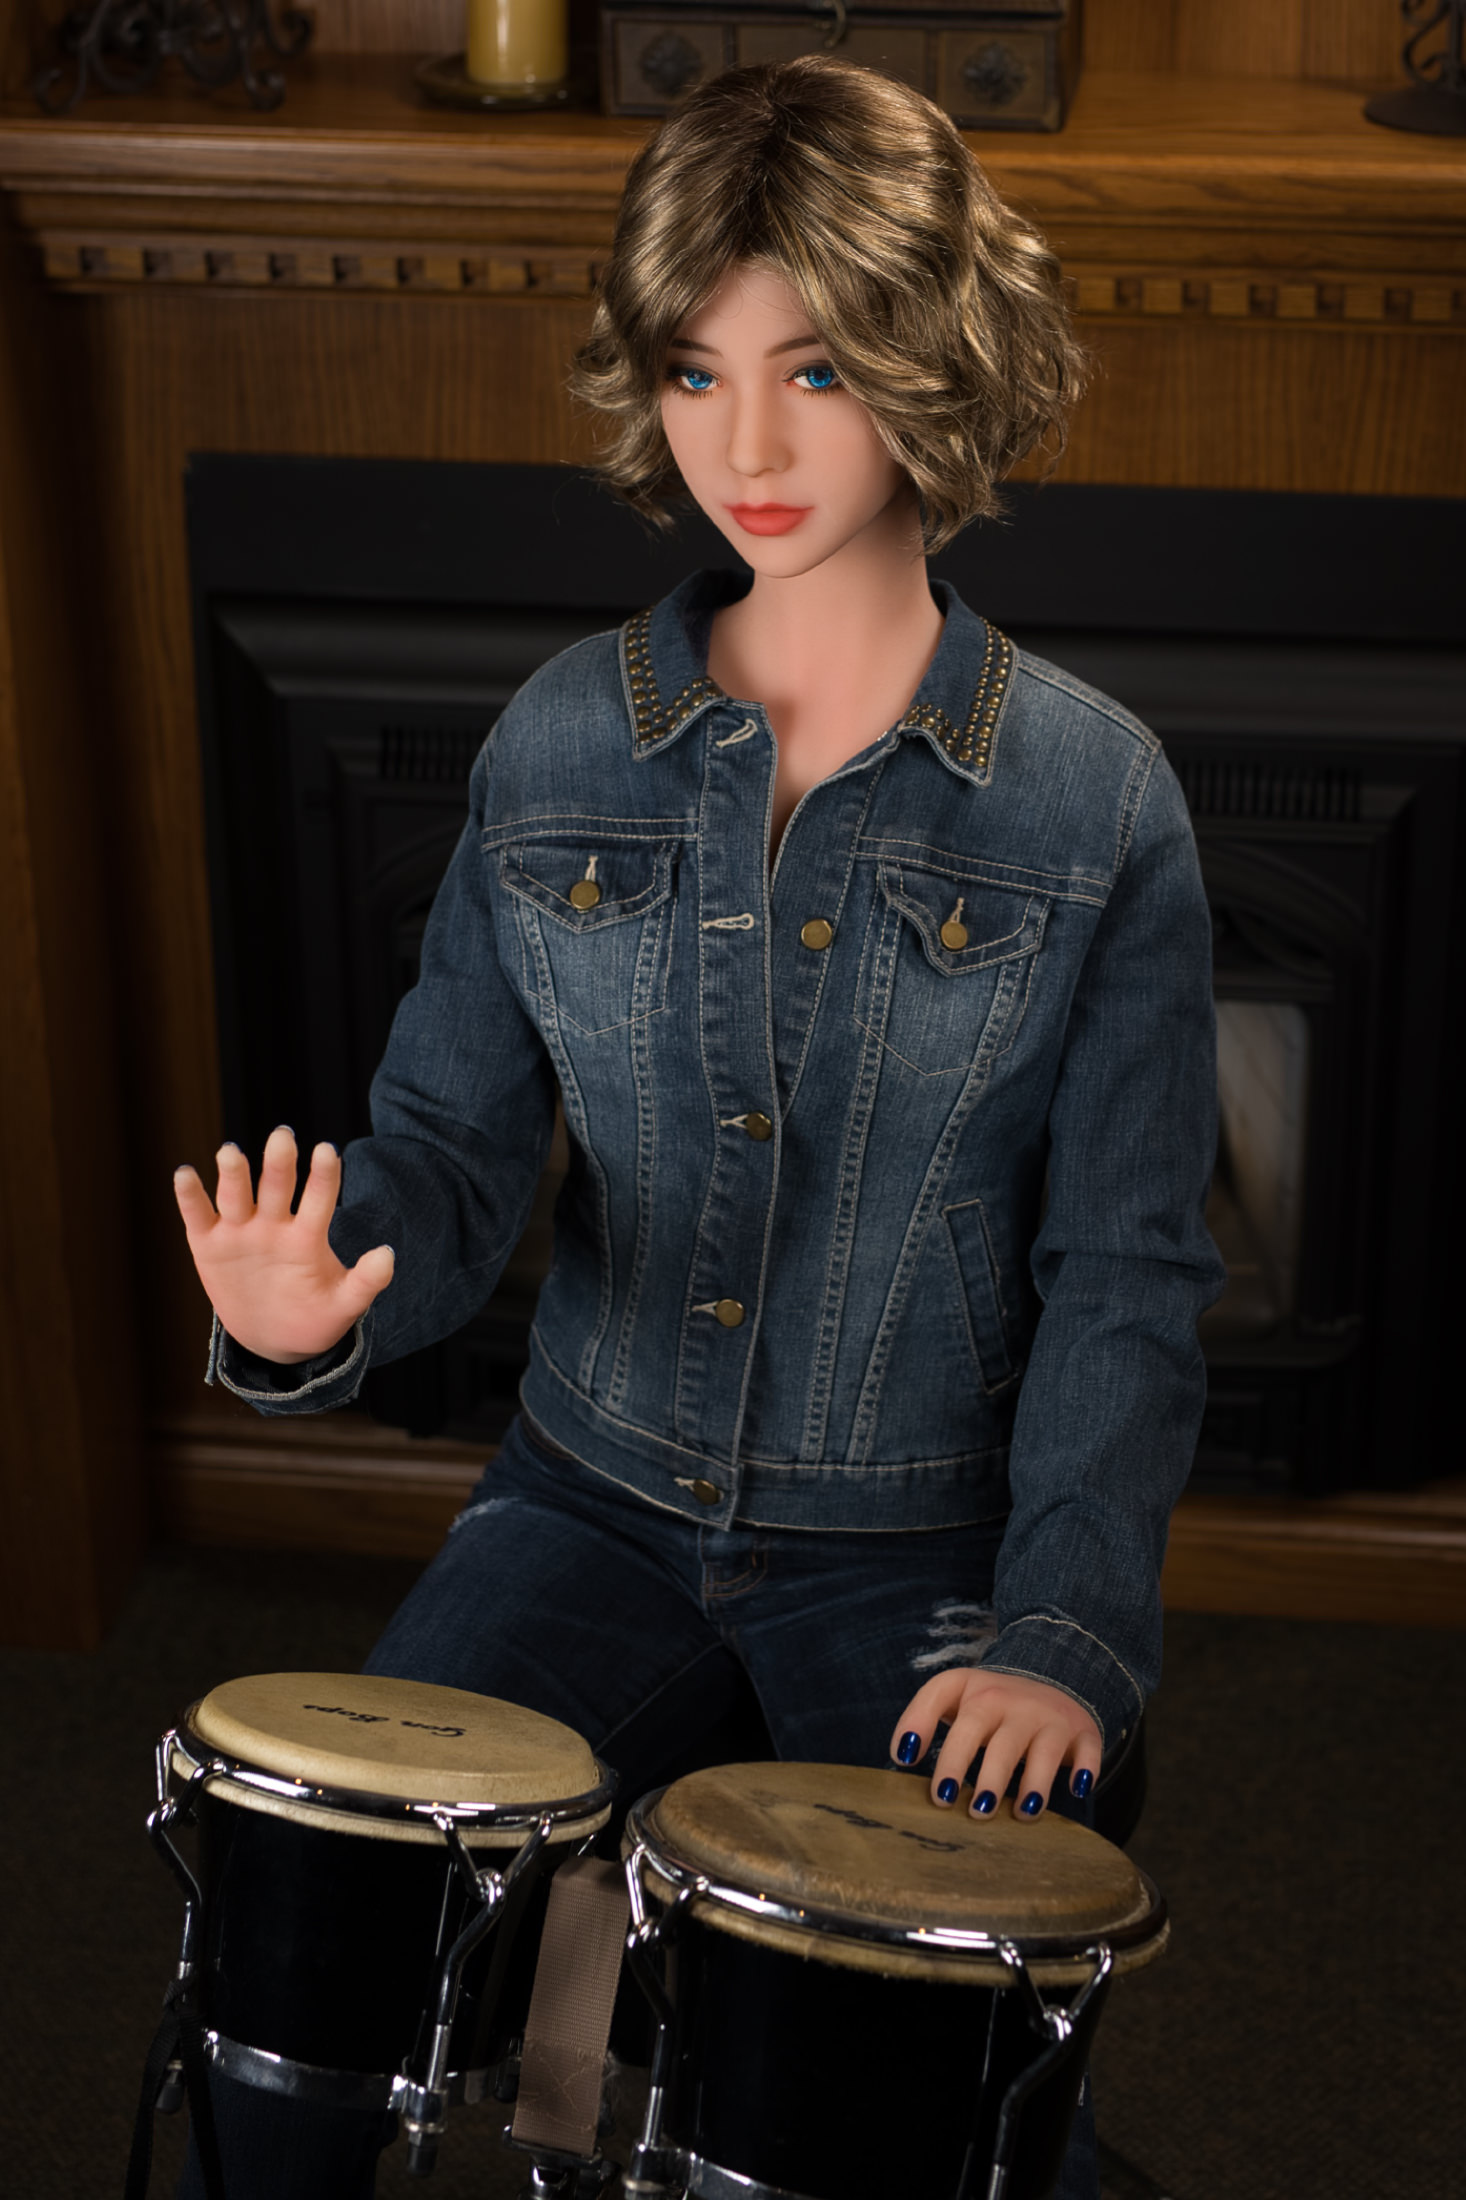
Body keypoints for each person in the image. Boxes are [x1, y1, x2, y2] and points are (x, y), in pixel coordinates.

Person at [171, 55, 1223, 2200]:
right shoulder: (560, 741)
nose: (744, 447)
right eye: (692, 371)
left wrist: (1060, 1634)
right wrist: (317, 1293)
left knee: (903, 2071)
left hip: (918, 1558)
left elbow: (1124, 1275)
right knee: (292, 1969)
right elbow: (448, 1157)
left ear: (933, 362)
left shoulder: (1099, 801)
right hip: (586, 1504)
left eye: (815, 368)